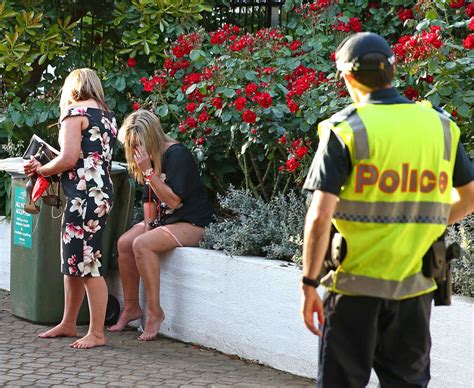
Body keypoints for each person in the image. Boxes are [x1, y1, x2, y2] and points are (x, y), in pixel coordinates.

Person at [300, 32, 474, 387]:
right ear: (394, 70)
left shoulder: (345, 129)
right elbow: (469, 197)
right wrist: (423, 224)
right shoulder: (440, 126)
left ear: (347, 77)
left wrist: (308, 284)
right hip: (416, 290)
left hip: (353, 292)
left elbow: (319, 217)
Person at [24, 68, 118, 349]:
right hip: (100, 193)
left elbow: (68, 158)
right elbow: (85, 156)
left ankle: (97, 334)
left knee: (88, 263)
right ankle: (67, 323)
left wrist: (41, 169)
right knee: (75, 260)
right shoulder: (108, 116)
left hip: (83, 196)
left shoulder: (74, 113)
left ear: (72, 87)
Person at [108, 110, 213, 341]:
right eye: (132, 145)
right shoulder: (151, 156)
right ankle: (132, 307)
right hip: (166, 220)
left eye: (138, 144)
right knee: (125, 243)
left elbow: (174, 200)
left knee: (142, 245)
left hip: (190, 221)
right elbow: (150, 200)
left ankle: (155, 312)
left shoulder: (177, 155)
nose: (136, 150)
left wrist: (147, 171)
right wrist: (148, 224)